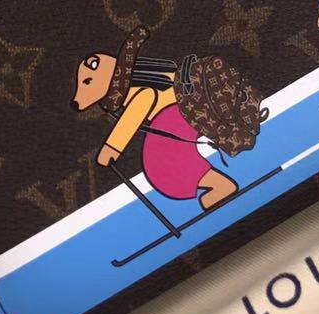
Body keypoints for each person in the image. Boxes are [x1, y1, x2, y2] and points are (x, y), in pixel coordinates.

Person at [71, 27, 240, 211]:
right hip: (180, 113)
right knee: (168, 156)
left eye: (87, 82)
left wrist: (112, 148)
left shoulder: (137, 90)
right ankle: (218, 187)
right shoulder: (133, 85)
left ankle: (220, 186)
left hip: (175, 114)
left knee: (162, 157)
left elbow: (140, 107)